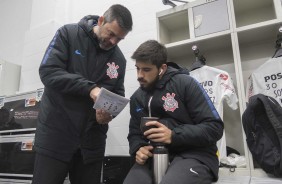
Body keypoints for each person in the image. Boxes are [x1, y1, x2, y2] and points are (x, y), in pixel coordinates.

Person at [32, 4, 133, 184]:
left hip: (91, 145)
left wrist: (108, 115)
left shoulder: (119, 60)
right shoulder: (68, 34)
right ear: (101, 20)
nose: (113, 42)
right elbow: (49, 71)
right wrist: (90, 88)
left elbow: (118, 94)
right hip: (56, 137)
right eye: (111, 34)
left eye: (119, 39)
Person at [123, 40, 224, 184]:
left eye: (146, 70)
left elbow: (214, 127)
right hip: (153, 155)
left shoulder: (186, 83)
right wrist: (138, 148)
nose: (139, 75)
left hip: (194, 154)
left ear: (162, 68)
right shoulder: (137, 98)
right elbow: (134, 133)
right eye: (137, 68)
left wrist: (173, 135)